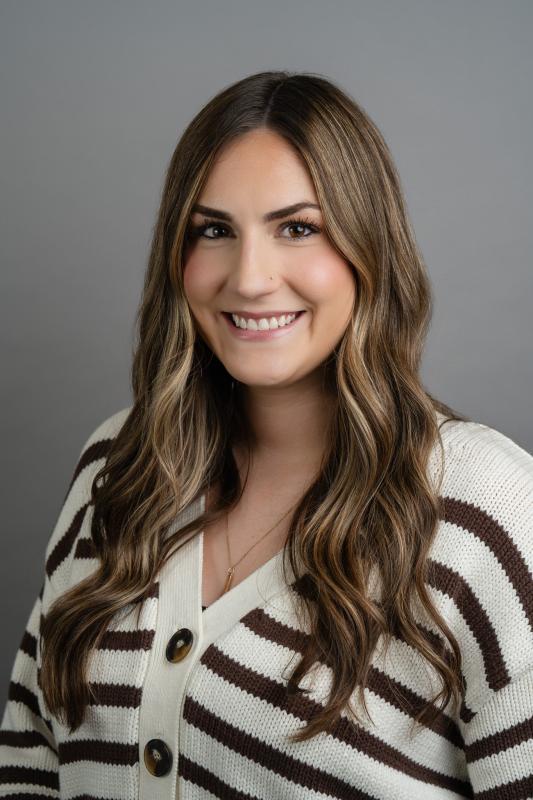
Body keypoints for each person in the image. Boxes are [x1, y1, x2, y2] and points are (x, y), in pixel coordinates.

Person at [1, 70, 532, 799]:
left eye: (296, 228)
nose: (249, 278)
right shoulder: (118, 465)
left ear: (366, 247)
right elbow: (28, 756)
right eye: (213, 231)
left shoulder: (487, 511)